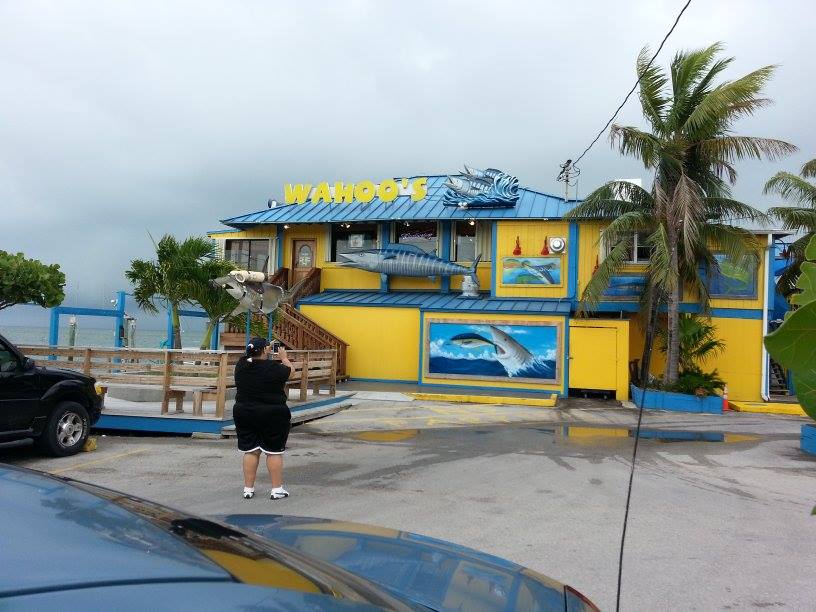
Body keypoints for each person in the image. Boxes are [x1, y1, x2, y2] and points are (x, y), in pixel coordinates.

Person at [233, 336, 294, 500]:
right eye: (268, 347)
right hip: (272, 413)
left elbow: (251, 358)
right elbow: (291, 372)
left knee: (251, 450)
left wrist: (263, 351)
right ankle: (276, 489)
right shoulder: (274, 368)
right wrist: (284, 358)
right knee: (273, 452)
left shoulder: (241, 365)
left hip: (244, 412)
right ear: (265, 350)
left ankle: (248, 489)